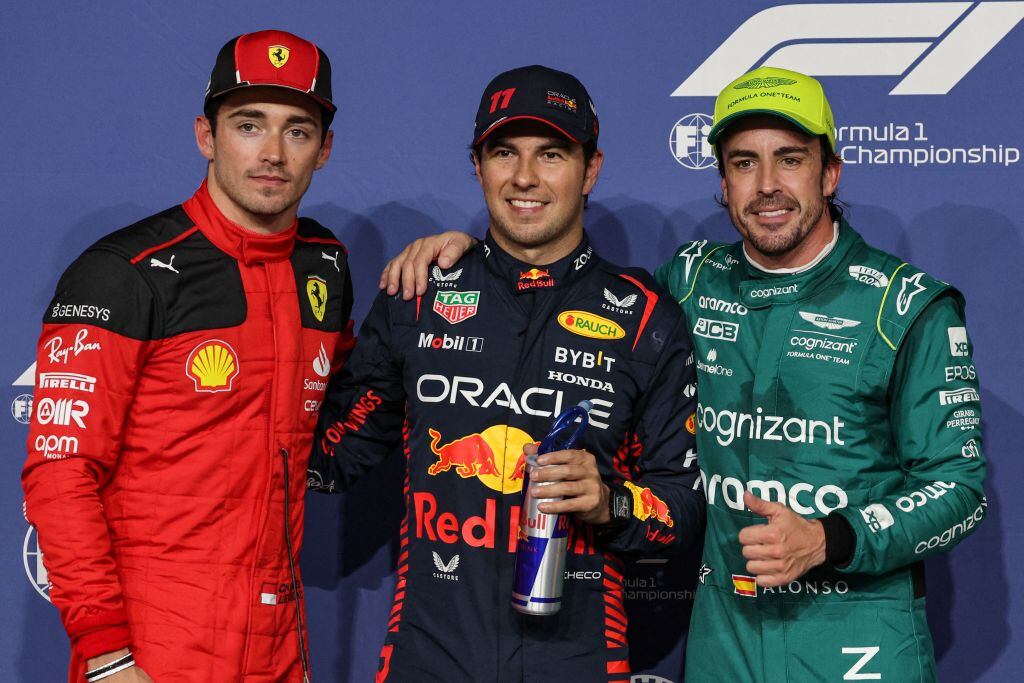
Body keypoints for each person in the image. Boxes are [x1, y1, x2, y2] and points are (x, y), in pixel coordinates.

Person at [382, 66, 987, 682]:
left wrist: (830, 538)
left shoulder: (907, 306)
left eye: (791, 160)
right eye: (744, 163)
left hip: (858, 635)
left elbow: (961, 490)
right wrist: (477, 255)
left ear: (829, 172)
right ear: (722, 183)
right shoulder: (691, 282)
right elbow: (576, 292)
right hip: (724, 637)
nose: (768, 186)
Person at [308, 65, 705, 682]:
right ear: (478, 166)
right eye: (504, 153)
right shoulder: (418, 292)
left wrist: (610, 502)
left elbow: (682, 511)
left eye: (551, 154)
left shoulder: (646, 318)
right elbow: (330, 458)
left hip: (577, 656)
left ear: (590, 169)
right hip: (429, 653)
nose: (525, 177)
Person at [22, 30, 352, 683]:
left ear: (325, 150)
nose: (271, 153)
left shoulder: (326, 263)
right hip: (154, 645)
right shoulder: (122, 273)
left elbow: (342, 401)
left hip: (281, 644)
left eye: (297, 131)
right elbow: (60, 474)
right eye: (248, 124)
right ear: (206, 135)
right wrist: (108, 654)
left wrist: (453, 263)